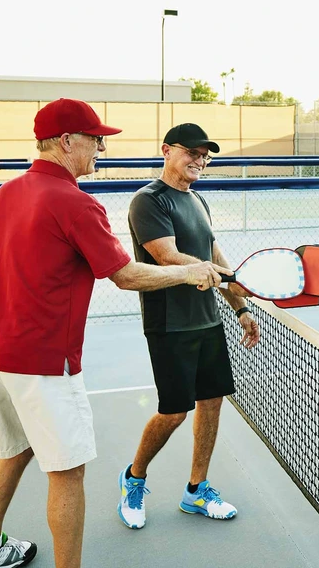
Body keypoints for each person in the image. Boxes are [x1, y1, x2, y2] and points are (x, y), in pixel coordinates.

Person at [0, 99, 225, 568]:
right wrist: (189, 273)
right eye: (96, 138)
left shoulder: (2, 194)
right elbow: (124, 275)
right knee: (67, 473)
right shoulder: (77, 202)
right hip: (42, 364)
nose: (102, 146)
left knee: (14, 453)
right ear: (66, 142)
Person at [116, 122, 260, 530]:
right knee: (174, 412)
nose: (199, 159)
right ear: (166, 150)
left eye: (204, 154)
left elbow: (218, 259)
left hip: (208, 321)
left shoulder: (199, 202)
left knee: (211, 403)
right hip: (170, 324)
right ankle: (134, 478)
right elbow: (166, 256)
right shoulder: (149, 201)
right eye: (191, 152)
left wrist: (241, 308)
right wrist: (206, 269)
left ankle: (196, 490)